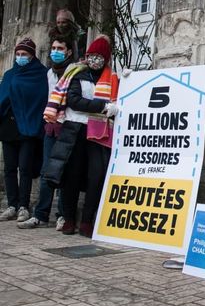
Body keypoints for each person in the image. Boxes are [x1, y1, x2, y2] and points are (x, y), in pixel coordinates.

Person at [42, 36, 119, 237]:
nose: (95, 60)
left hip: (98, 133)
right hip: (74, 130)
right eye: (92, 55)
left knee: (96, 177)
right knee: (71, 176)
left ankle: (87, 221)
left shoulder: (112, 77)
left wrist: (127, 78)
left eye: (99, 56)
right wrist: (102, 107)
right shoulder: (77, 73)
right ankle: (68, 219)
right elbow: (74, 101)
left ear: (106, 58)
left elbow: (120, 98)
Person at [17, 36, 75, 230]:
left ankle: (62, 215)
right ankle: (41, 214)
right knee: (45, 172)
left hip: (67, 126)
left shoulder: (74, 71)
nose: (55, 51)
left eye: (60, 48)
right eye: (53, 48)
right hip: (50, 126)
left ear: (68, 51)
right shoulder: (50, 73)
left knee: (64, 172)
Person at [0, 38, 48, 222]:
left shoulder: (40, 74)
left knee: (25, 168)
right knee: (10, 168)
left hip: (29, 126)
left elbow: (41, 99)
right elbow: (3, 97)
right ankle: (11, 205)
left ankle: (23, 206)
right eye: (18, 54)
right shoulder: (10, 74)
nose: (20, 57)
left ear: (32, 55)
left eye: (24, 54)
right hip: (9, 126)